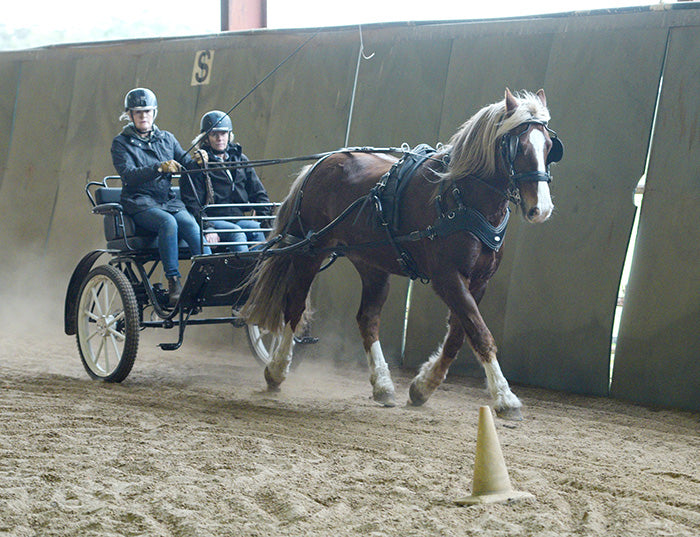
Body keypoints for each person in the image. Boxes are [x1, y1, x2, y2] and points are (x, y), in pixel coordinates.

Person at [110, 87, 210, 305]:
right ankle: (174, 281)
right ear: (130, 115)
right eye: (138, 112)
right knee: (168, 224)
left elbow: (187, 163)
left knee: (191, 225)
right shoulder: (121, 143)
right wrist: (158, 167)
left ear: (154, 113)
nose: (143, 116)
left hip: (167, 201)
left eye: (147, 111)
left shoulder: (167, 138)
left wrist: (200, 160)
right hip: (139, 202)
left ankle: (209, 274)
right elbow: (128, 175)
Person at [181, 110, 271, 253]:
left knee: (256, 231)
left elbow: (259, 193)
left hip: (237, 217)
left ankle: (258, 272)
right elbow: (192, 203)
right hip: (213, 218)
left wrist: (265, 220)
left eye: (223, 133)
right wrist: (208, 227)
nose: (219, 138)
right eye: (214, 134)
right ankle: (243, 271)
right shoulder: (197, 165)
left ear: (229, 135)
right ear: (206, 138)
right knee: (236, 233)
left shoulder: (240, 160)